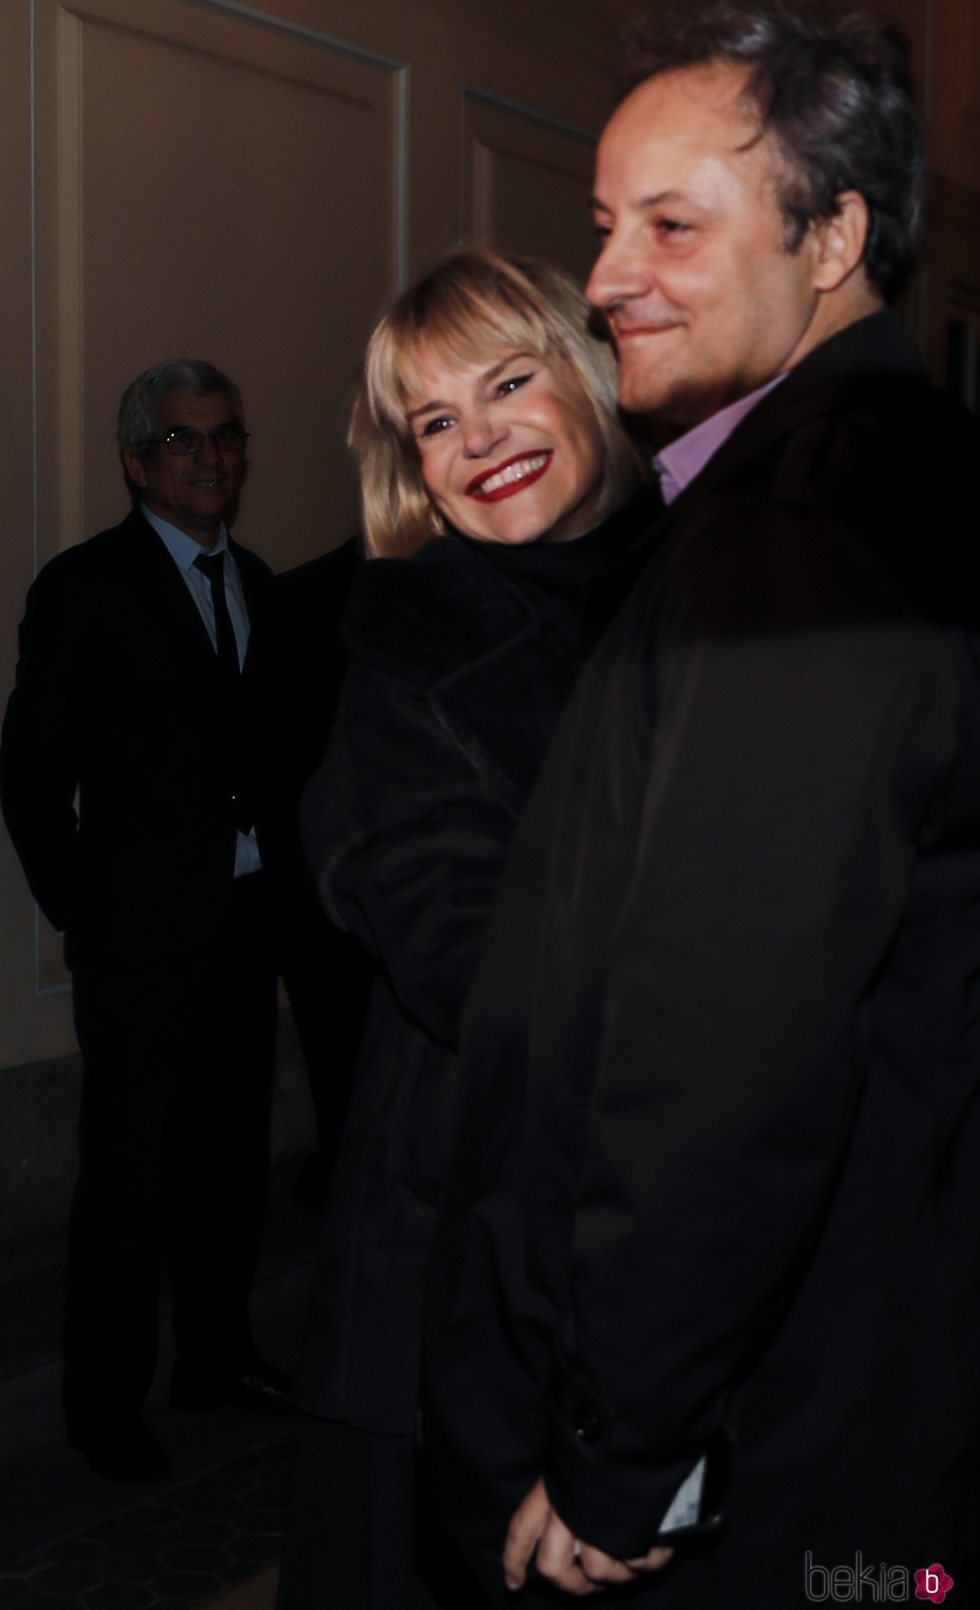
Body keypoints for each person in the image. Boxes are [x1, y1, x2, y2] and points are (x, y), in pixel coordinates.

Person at [420, 6, 980, 1607]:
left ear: (834, 238)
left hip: (781, 1432)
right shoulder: (888, 470)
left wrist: (624, 1443)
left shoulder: (802, 525)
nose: (607, 276)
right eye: (605, 225)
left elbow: (727, 1047)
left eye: (672, 225)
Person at [276, 246, 654, 1610]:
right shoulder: (411, 642)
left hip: (672, 1267)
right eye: (434, 419)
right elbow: (480, 967)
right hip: (456, 1267)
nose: (479, 436)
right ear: (413, 470)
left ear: (593, 373)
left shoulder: (717, 586)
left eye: (507, 382)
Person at [0, 359, 287, 1483]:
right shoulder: (85, 587)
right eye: (181, 438)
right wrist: (85, 910)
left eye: (224, 435)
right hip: (139, 944)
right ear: (134, 462)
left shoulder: (256, 581)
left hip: (245, 927)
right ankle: (103, 1408)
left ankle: (215, 1358)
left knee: (230, 1165)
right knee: (129, 1176)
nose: (208, 455)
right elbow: (30, 773)